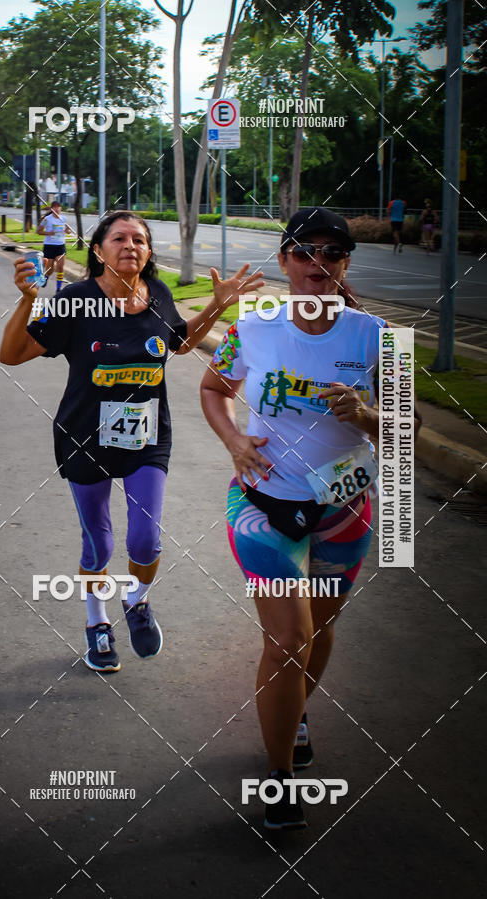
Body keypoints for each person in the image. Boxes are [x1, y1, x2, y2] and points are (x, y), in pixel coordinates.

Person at [200, 207, 421, 830]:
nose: (317, 264)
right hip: (264, 506)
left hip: (343, 510)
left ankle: (294, 713)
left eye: (332, 252)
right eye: (304, 252)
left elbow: (413, 428)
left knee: (319, 633)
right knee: (288, 639)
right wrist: (234, 444)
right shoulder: (257, 326)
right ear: (285, 262)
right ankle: (280, 780)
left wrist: (369, 416)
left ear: (347, 263)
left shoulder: (376, 335)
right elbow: (214, 390)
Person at [0, 210, 263, 673]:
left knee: (145, 540)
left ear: (147, 252)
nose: (131, 245)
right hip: (84, 438)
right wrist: (26, 300)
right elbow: (12, 354)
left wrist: (218, 306)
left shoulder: (157, 294)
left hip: (147, 438)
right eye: (118, 238)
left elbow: (180, 343)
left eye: (139, 239)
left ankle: (137, 599)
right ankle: (96, 623)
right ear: (98, 251)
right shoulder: (77, 302)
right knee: (98, 545)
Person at [37, 200, 71, 291]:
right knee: (50, 269)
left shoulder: (64, 219)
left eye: (58, 207)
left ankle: (58, 288)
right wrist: (48, 233)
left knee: (60, 267)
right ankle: (46, 277)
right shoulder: (46, 219)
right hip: (49, 246)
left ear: (61, 208)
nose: (57, 208)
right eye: (55, 207)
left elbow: (68, 230)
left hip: (60, 246)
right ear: (52, 209)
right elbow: (38, 231)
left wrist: (68, 231)